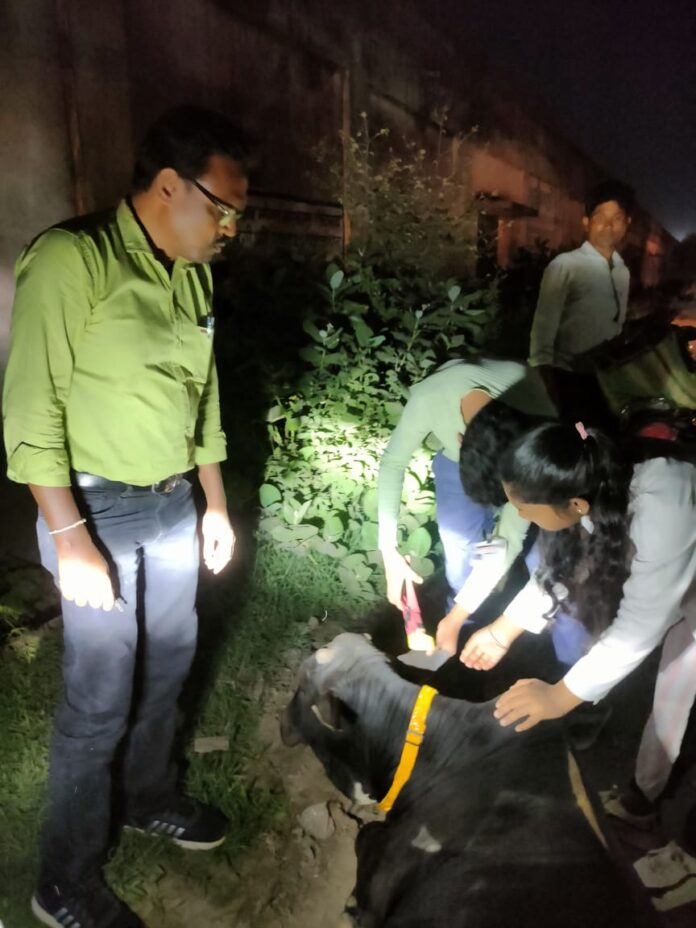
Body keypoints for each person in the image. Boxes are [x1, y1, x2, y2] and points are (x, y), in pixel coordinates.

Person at [2, 105, 249, 928]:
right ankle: (63, 882)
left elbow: (203, 401)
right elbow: (30, 410)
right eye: (223, 209)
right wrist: (70, 539)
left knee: (170, 665)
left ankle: (147, 797)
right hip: (94, 510)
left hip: (175, 502)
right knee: (99, 696)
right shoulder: (72, 259)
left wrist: (214, 502)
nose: (230, 230)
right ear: (171, 186)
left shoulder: (194, 276)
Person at [376, 358, 555, 608]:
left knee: (539, 551)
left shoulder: (535, 410)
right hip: (457, 462)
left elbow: (512, 534)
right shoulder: (429, 400)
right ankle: (466, 607)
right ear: (461, 438)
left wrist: (502, 556)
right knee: (460, 558)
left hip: (519, 459)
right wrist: (388, 550)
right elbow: (392, 463)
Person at [528, 180, 634, 424]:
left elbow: (618, 324)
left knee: (603, 435)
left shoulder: (622, 271)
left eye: (617, 218)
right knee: (576, 437)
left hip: (608, 377)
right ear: (586, 222)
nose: (608, 225)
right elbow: (543, 326)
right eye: (600, 217)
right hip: (568, 377)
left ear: (627, 223)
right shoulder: (566, 266)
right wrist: (543, 378)